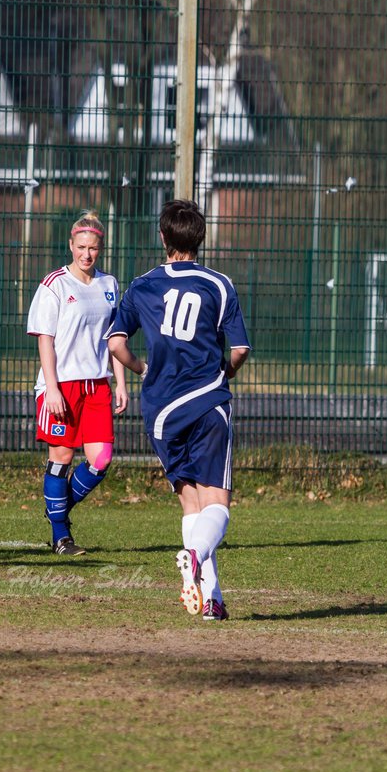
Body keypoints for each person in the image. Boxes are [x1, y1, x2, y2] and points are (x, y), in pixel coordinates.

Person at [107, 199, 251, 621]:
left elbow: (116, 343)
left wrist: (141, 368)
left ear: (163, 237)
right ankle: (194, 555)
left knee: (192, 503)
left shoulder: (143, 285)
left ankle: (213, 600)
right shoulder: (219, 285)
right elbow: (240, 348)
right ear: (200, 240)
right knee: (218, 505)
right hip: (206, 401)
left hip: (160, 411)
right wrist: (226, 370)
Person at [26, 212, 128, 556]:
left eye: (93, 248)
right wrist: (51, 387)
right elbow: (45, 339)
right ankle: (61, 536)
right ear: (70, 245)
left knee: (101, 459)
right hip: (62, 386)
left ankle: (58, 510)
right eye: (81, 247)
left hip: (97, 385)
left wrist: (121, 384)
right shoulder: (54, 284)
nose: (87, 254)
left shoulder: (110, 285)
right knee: (62, 457)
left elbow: (116, 338)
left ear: (101, 249)